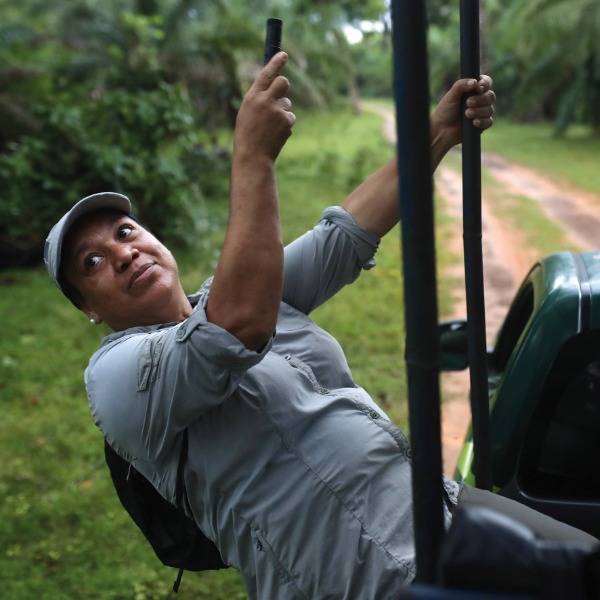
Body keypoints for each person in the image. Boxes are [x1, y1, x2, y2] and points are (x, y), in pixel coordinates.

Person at [44, 52, 594, 599]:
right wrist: (252, 157)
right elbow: (235, 330)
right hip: (364, 576)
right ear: (89, 310)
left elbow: (345, 235)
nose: (121, 254)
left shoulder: (241, 288)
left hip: (434, 505)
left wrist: (439, 131)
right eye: (90, 263)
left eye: (124, 231)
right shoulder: (114, 376)